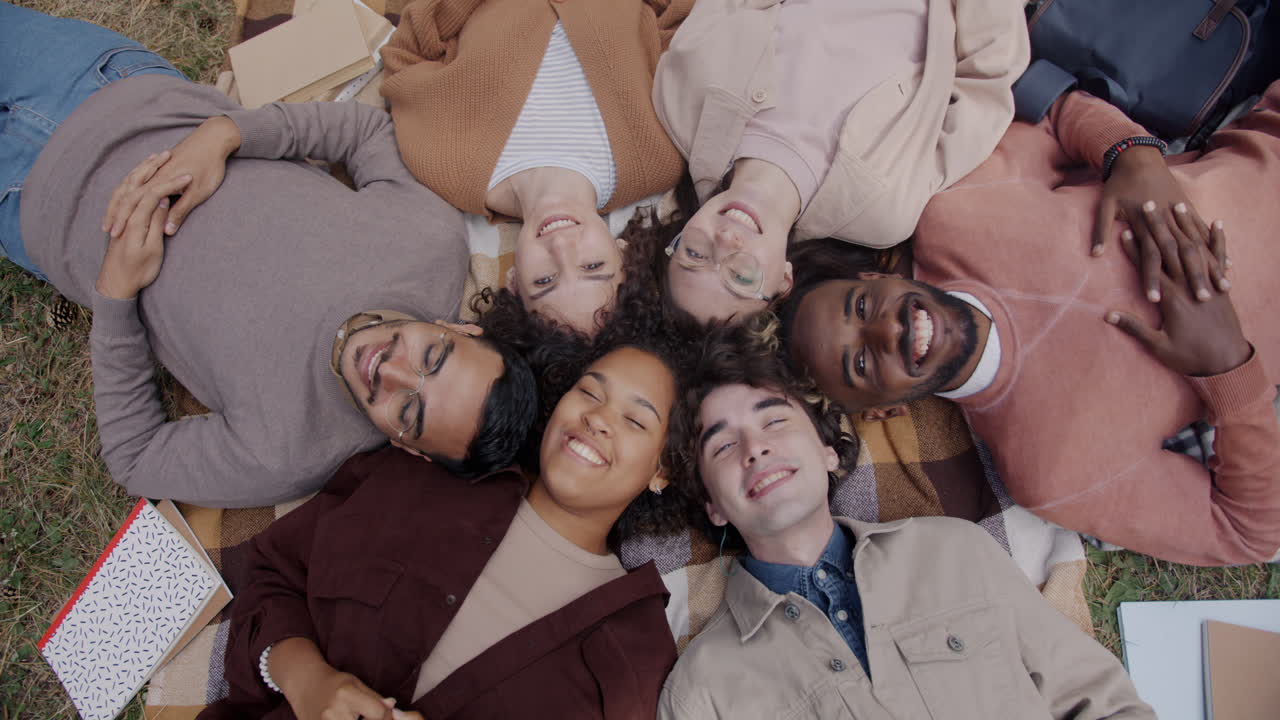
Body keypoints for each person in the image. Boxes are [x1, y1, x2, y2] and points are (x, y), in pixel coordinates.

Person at [0, 3, 537, 506]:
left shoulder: (285, 455)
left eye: (410, 411)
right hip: (112, 87)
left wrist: (115, 294)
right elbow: (368, 132)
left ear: (408, 449)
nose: (390, 370)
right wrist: (227, 134)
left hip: (32, 203)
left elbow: (136, 456)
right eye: (433, 357)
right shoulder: (431, 244)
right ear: (463, 329)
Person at [780, 86, 1280, 566]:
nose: (889, 332)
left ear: (874, 276)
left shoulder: (955, 216)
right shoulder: (1052, 472)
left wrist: (1132, 156)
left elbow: (1054, 110)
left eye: (864, 307)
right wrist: (1227, 365)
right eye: (862, 362)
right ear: (882, 409)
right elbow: (1247, 533)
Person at [658, 330, 1154, 719]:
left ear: (829, 451)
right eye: (722, 446)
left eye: (775, 421)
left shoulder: (956, 550)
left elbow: (1102, 702)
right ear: (713, 506)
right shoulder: (702, 690)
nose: (755, 448)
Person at [199, 343, 691, 720]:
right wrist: (309, 682)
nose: (598, 418)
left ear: (661, 469)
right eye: (588, 391)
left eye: (634, 420)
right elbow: (275, 574)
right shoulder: (425, 473)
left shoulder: (636, 648)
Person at [650, 0, 1030, 324]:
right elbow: (987, 81)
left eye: (695, 254)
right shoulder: (882, 209)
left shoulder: (682, 107)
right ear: (783, 281)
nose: (726, 241)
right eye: (740, 276)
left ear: (679, 234)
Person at [380, 0, 693, 334]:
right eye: (592, 265)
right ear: (623, 253)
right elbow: (683, 25)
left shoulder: (445, 166)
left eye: (544, 280)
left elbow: (406, 55)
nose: (560, 247)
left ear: (514, 282)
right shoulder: (657, 156)